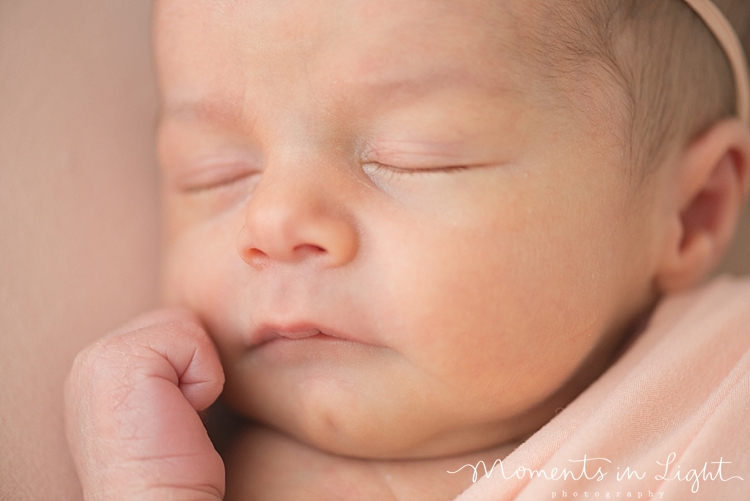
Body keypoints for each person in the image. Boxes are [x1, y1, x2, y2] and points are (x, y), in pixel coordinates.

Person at [64, 0, 750, 499]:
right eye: (215, 173)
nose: (272, 220)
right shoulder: (204, 465)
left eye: (415, 157)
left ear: (690, 212)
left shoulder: (726, 374)